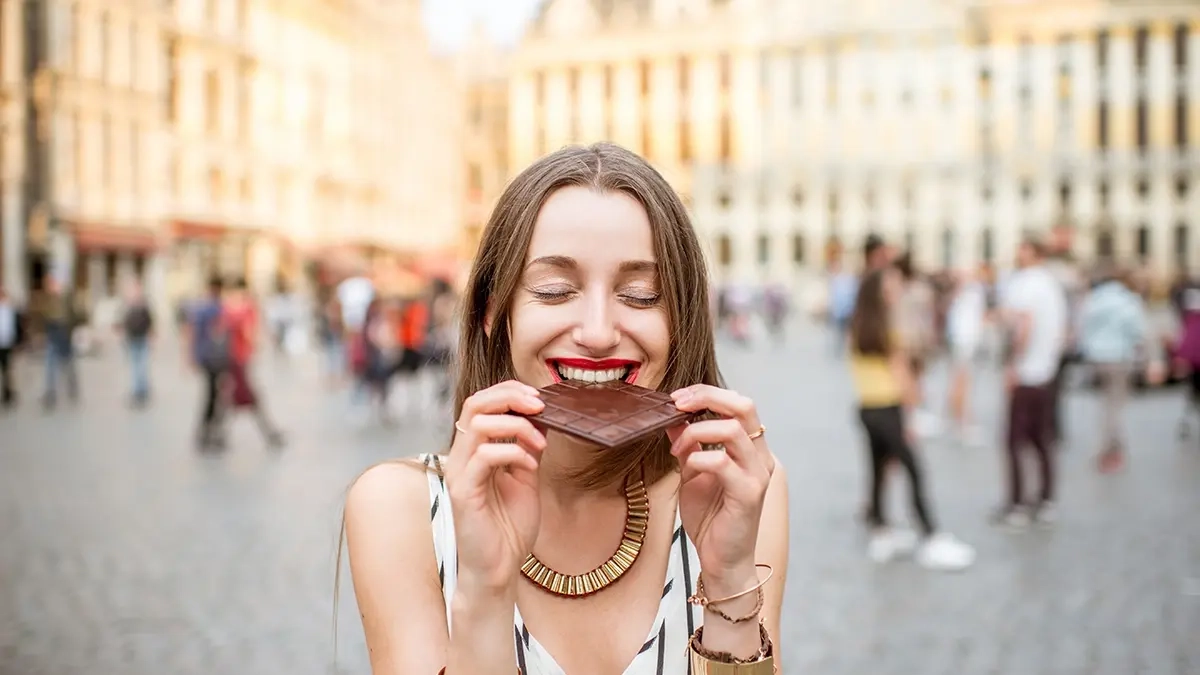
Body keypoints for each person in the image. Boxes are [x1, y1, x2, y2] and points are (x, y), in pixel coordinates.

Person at [342, 143, 788, 674]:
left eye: (642, 295)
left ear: (681, 320)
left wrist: (731, 582)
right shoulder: (401, 510)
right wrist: (484, 593)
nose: (598, 333)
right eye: (555, 291)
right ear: (493, 311)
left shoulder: (735, 488)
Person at [847, 268, 976, 571]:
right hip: (890, 407)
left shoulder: (858, 327)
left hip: (867, 407)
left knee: (878, 470)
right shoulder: (889, 329)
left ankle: (881, 531)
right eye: (891, 287)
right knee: (914, 469)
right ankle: (931, 534)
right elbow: (902, 376)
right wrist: (913, 412)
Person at [997, 238, 1068, 527]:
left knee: (1015, 439)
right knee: (1042, 438)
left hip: (1028, 371)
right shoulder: (1051, 284)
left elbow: (1025, 324)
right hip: (1046, 370)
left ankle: (1017, 503)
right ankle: (1046, 498)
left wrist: (1013, 363)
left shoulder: (1027, 283)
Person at [1077, 266, 1154, 472]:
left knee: (1105, 404)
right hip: (1119, 357)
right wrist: (1148, 359)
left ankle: (1110, 446)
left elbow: (1082, 327)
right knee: (1115, 406)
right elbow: (1138, 331)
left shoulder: (1094, 299)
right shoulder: (1128, 300)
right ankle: (1111, 449)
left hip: (1097, 358)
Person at [220, 278, 285, 448]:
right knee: (246, 396)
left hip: (231, 358)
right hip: (241, 358)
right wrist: (256, 344)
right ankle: (269, 433)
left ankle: (220, 434)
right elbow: (249, 332)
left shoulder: (227, 309)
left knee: (232, 397)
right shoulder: (246, 309)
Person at [944, 267, 988, 446]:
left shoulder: (963, 295)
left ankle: (960, 419)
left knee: (961, 381)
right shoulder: (969, 293)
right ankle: (961, 422)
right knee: (962, 381)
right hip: (965, 341)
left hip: (964, 341)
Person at [187, 277, 229, 449]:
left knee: (213, 394)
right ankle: (210, 430)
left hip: (208, 357)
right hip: (215, 358)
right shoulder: (216, 308)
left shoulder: (202, 308)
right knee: (215, 395)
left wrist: (192, 356)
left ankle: (208, 430)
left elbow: (193, 333)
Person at [38, 274, 82, 410]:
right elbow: (43, 317)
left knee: (68, 364)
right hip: (53, 335)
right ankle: (50, 392)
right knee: (50, 365)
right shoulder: (48, 300)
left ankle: (72, 386)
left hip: (65, 335)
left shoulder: (66, 298)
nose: (51, 287)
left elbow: (75, 314)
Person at [121, 282, 154, 407]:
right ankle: (137, 390)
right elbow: (124, 323)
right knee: (135, 366)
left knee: (142, 365)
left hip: (142, 338)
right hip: (133, 339)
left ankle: (142, 389)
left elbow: (150, 321)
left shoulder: (143, 305)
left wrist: (151, 336)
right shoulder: (128, 306)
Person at [0, 286, 23, 408]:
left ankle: (7, 393)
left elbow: (16, 326)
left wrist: (17, 342)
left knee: (7, 370)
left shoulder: (10, 309)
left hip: (7, 343)